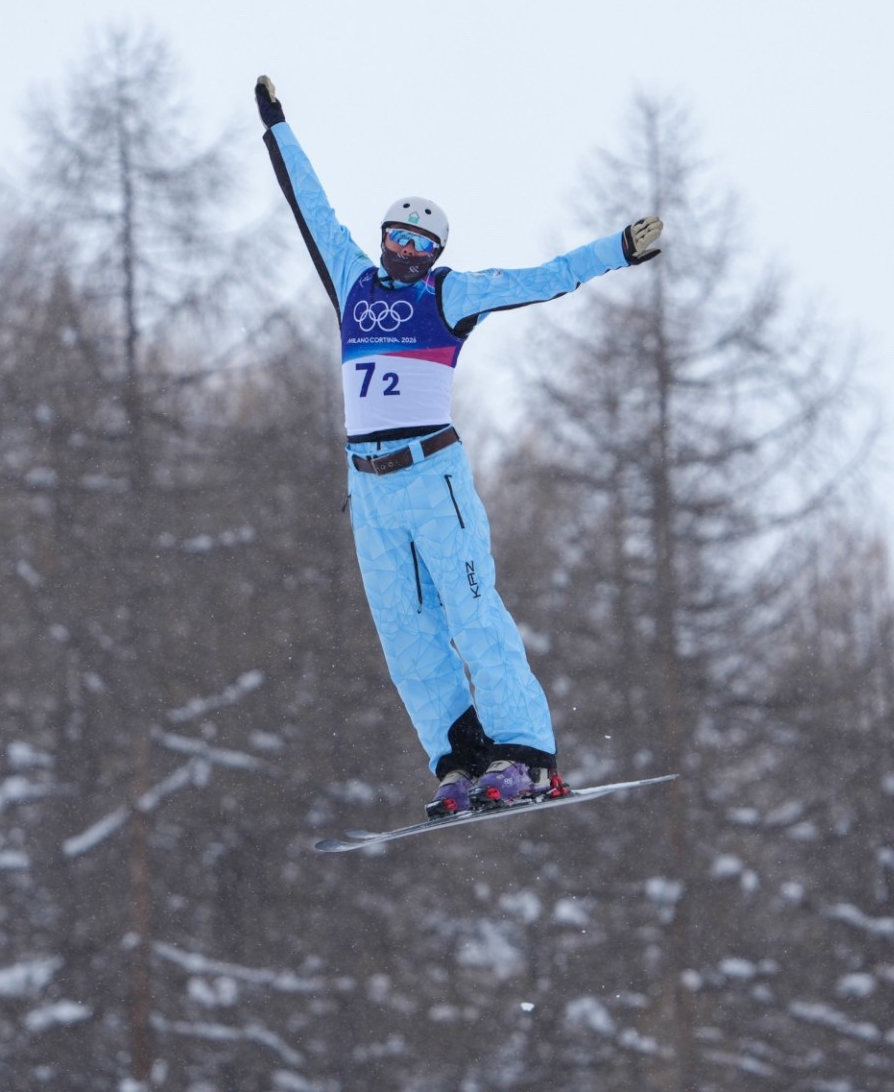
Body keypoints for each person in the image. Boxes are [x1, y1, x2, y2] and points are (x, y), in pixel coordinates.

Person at [255, 76, 663, 818]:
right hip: (371, 488)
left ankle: (527, 756)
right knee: (405, 633)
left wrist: (618, 252)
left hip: (430, 472)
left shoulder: (448, 295)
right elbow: (311, 208)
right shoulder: (351, 282)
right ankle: (461, 760)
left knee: (473, 613)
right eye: (397, 236)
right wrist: (276, 126)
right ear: (382, 240)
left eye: (421, 242)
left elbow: (542, 280)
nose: (405, 250)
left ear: (437, 250)